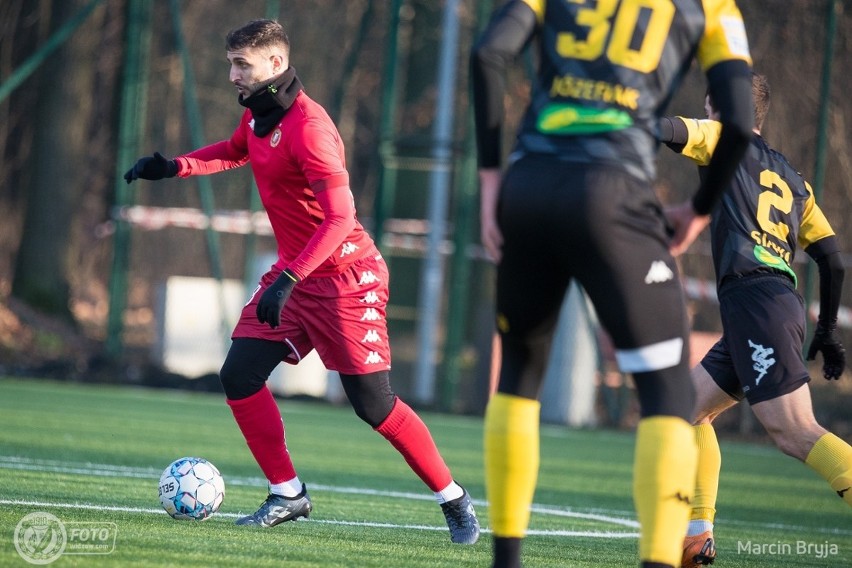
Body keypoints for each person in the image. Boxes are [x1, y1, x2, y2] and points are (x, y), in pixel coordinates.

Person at [124, 18, 479, 544]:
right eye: (230, 63)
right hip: (296, 274)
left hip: (346, 278)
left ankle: (454, 500)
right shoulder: (260, 119)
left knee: (373, 404)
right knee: (240, 374)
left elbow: (341, 218)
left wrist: (288, 277)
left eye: (240, 65)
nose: (231, 75)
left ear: (274, 65)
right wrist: (174, 167)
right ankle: (287, 492)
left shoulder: (310, 129)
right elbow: (232, 149)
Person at [470, 1, 754, 567]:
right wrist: (698, 209)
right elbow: (740, 123)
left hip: (529, 187)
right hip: (613, 194)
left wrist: (492, 179)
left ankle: (506, 560)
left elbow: (487, 55)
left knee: (520, 376)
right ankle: (657, 559)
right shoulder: (711, 7)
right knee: (668, 394)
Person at [658, 72, 852, 568]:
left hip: (756, 304)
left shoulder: (721, 135)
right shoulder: (793, 178)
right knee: (687, 411)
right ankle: (697, 539)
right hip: (771, 303)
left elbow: (668, 129)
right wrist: (827, 329)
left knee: (795, 432)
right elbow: (831, 258)